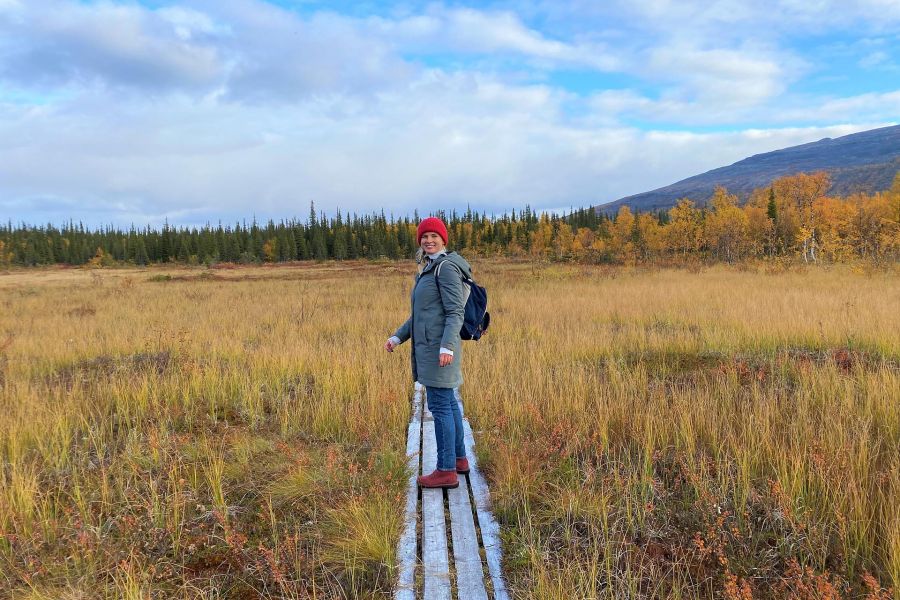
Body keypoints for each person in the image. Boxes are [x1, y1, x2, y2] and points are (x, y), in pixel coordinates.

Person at [385, 216, 473, 489]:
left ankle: (446, 470)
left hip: (439, 350)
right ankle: (459, 460)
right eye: (424, 236)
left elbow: (455, 312)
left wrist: (447, 346)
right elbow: (420, 315)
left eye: (434, 236)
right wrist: (398, 336)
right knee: (448, 404)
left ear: (443, 240)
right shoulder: (429, 268)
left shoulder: (444, 268)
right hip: (433, 347)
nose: (429, 240)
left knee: (440, 407)